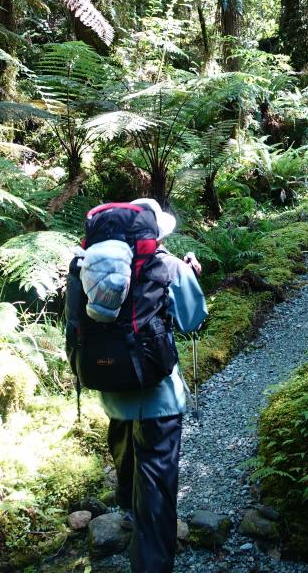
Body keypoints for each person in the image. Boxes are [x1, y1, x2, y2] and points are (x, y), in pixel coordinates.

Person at [82, 197, 206, 573]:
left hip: (111, 390)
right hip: (160, 397)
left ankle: (129, 513)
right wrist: (191, 276)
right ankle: (151, 560)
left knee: (126, 454)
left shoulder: (85, 268)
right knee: (157, 482)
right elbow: (193, 321)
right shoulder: (168, 267)